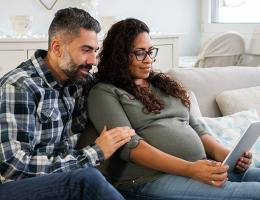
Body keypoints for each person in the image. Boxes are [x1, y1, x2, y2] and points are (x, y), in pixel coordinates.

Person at [87, 18, 260, 200]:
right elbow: (131, 148)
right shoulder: (104, 92)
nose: (149, 60)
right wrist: (190, 169)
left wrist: (229, 157)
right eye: (139, 53)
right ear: (119, 55)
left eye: (151, 52)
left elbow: (197, 128)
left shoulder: (164, 85)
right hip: (150, 179)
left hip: (201, 167)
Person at [0, 8, 136, 200]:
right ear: (57, 48)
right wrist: (95, 153)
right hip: (12, 187)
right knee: (88, 180)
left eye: (95, 51)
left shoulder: (78, 81)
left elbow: (116, 79)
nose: (93, 61)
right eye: (86, 50)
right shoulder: (20, 87)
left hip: (58, 180)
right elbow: (12, 168)